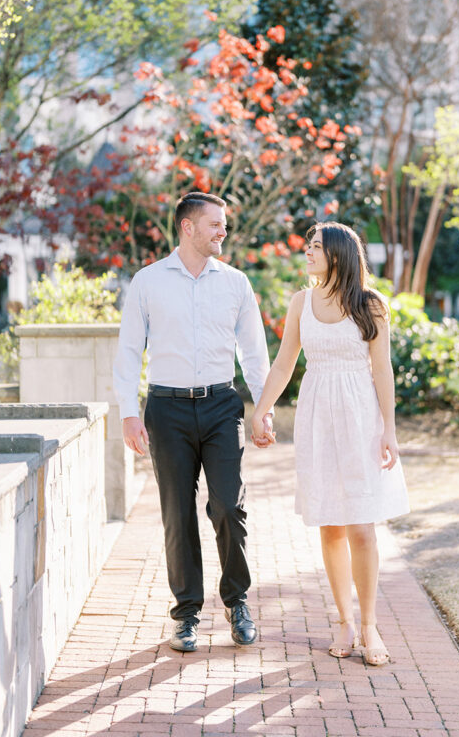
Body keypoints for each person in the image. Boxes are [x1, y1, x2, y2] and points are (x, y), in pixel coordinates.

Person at [113, 192, 273, 652]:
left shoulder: (236, 282)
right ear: (188, 227)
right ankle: (186, 615)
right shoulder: (147, 282)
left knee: (228, 506)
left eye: (224, 224)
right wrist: (128, 411)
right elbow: (128, 351)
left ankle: (237, 600)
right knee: (177, 514)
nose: (224, 231)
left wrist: (262, 409)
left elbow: (254, 352)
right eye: (215, 224)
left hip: (223, 406)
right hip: (167, 409)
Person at [251, 222, 409, 666]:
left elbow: (383, 371)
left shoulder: (371, 305)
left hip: (361, 417)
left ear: (338, 253)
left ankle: (370, 624)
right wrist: (260, 409)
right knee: (331, 524)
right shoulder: (301, 301)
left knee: (361, 524)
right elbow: (285, 363)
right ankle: (343, 620)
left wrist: (389, 430)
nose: (308, 252)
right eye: (308, 246)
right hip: (318, 417)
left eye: (316, 247)